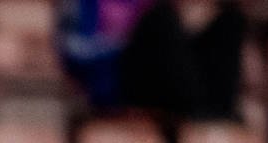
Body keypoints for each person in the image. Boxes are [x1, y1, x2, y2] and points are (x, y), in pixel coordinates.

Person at [58, 1, 246, 121]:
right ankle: (200, 112)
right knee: (160, 18)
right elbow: (75, 50)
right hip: (118, 77)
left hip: (170, 74)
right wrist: (126, 42)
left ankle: (217, 113)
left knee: (230, 20)